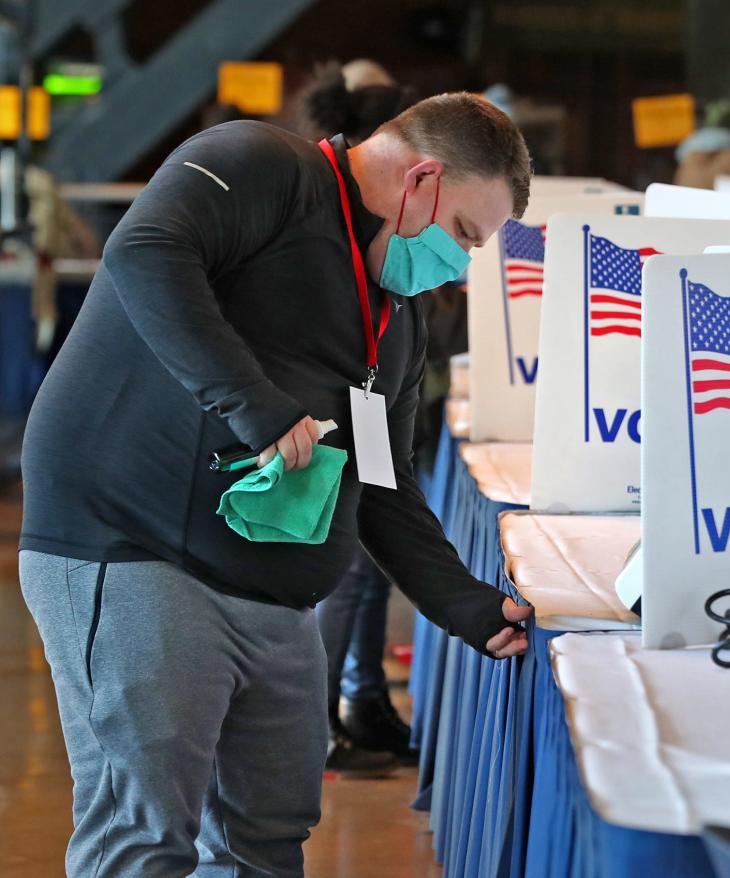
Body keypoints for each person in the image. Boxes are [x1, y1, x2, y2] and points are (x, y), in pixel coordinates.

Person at [19, 93, 533, 876]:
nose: (461, 263)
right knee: (147, 833)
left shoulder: (396, 318)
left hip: (275, 593)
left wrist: (469, 604)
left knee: (267, 835)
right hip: (135, 550)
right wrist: (253, 404)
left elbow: (385, 486)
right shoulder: (264, 167)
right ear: (422, 178)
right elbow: (148, 251)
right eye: (464, 233)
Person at [300, 61, 429, 774]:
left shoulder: (346, 202)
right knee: (350, 573)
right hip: (349, 416)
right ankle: (317, 715)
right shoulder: (342, 215)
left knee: (366, 568)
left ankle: (359, 696)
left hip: (364, 413)